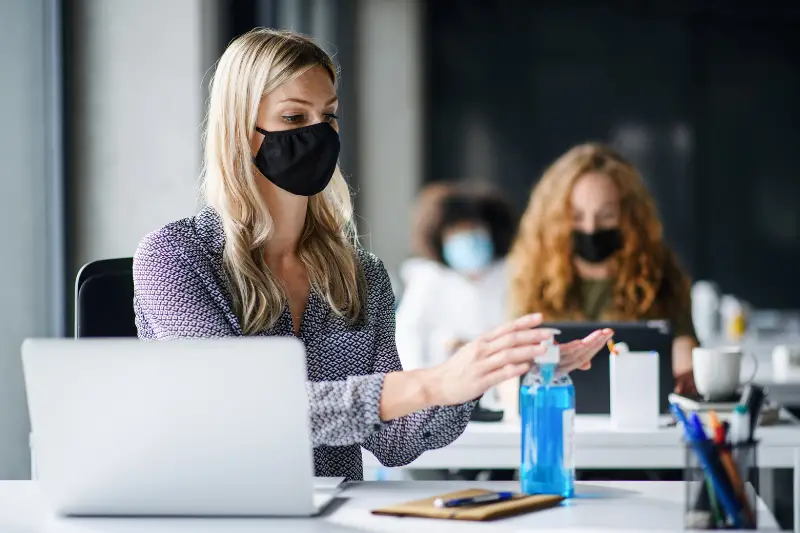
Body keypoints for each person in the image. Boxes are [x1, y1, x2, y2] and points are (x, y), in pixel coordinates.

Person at [131, 29, 614, 482]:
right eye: (295, 118)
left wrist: (481, 374)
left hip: (338, 519)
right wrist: (433, 383)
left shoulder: (359, 273)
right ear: (240, 129)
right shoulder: (174, 258)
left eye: (329, 116)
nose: (318, 133)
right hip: (220, 516)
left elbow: (395, 442)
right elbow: (241, 410)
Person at [509, 142, 697, 395]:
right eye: (576, 217)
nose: (590, 228)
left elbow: (682, 343)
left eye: (606, 215)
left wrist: (687, 371)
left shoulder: (660, 272)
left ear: (629, 217)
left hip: (640, 415)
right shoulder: (532, 276)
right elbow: (512, 364)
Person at [396, 185, 516, 408]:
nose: (467, 238)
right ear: (439, 237)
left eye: (473, 229)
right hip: (440, 395)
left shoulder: (512, 273)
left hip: (501, 396)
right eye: (456, 232)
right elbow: (407, 336)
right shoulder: (428, 278)